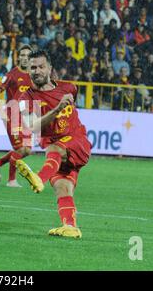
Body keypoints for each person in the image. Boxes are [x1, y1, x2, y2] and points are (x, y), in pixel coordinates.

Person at [15, 50, 92, 239]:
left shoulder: (68, 88)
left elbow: (73, 97)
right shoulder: (25, 99)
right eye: (33, 67)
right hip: (56, 157)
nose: (36, 71)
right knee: (63, 188)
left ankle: (39, 177)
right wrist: (58, 109)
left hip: (77, 142)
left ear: (50, 69)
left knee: (54, 147)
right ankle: (71, 226)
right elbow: (32, 127)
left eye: (41, 66)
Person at [0, 44, 33, 188]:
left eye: (28, 56)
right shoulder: (12, 74)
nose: (25, 58)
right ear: (18, 57)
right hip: (12, 114)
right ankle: (11, 180)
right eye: (22, 55)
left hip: (27, 116)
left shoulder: (33, 75)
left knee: (27, 150)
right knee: (20, 149)